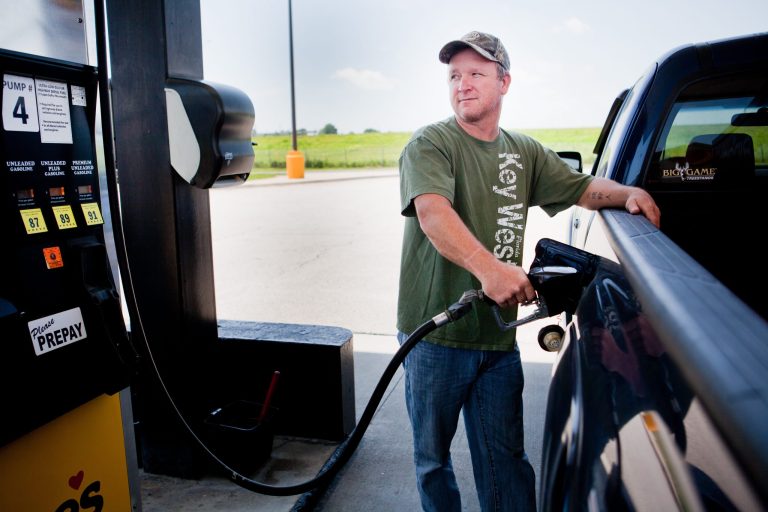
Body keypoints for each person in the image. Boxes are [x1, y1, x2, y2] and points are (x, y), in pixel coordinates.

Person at [396, 31, 660, 512]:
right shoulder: (430, 143)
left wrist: (626, 194)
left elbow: (581, 187)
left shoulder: (523, 151)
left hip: (496, 340)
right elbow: (433, 213)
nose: (462, 84)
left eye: (476, 73)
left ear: (504, 82)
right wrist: (490, 270)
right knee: (432, 460)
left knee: (505, 457)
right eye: (454, 75)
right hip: (435, 336)